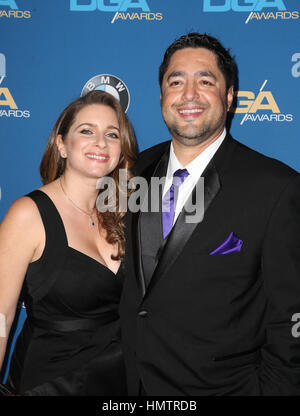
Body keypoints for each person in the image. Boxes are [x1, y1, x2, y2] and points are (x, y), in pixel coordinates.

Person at [119, 32, 300, 395]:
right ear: (161, 96)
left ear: (230, 96)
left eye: (205, 81)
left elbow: (290, 321)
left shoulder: (277, 187)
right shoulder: (132, 172)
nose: (188, 94)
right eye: (176, 81)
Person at [0, 90, 137, 395]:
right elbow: (1, 315)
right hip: (50, 383)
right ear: (61, 144)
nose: (101, 142)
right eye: (86, 131)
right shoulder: (28, 214)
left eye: (112, 134)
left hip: (116, 381)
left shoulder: (123, 213)